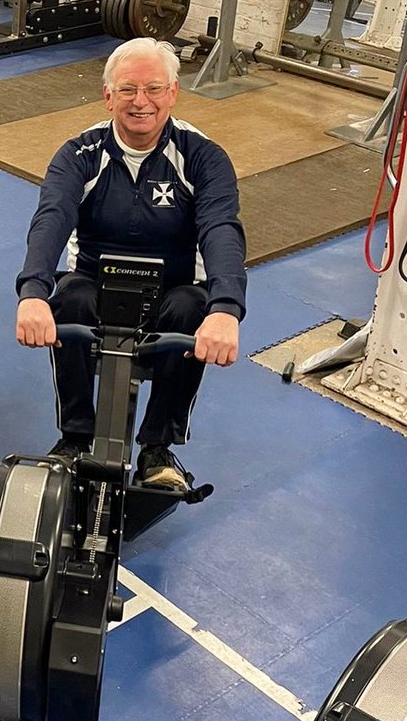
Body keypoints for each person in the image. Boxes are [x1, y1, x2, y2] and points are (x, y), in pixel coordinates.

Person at [15, 36, 246, 491]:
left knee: (190, 310)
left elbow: (222, 229)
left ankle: (158, 450)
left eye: (154, 89)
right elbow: (51, 219)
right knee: (69, 300)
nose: (141, 102)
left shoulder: (203, 157)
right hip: (96, 283)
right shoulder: (79, 154)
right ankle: (76, 436)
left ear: (173, 93)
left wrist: (226, 308)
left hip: (174, 289)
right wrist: (32, 294)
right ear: (108, 97)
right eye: (127, 90)